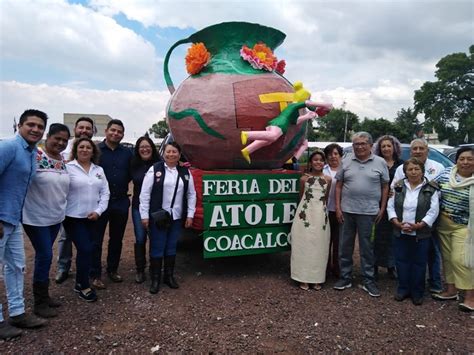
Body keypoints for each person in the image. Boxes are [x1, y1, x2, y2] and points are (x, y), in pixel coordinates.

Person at [0, 109, 48, 340]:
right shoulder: (8, 147)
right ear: (19, 125)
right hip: (1, 220)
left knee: (17, 266)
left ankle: (17, 312)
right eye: (31, 124)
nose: (36, 129)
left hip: (13, 219)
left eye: (40, 126)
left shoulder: (31, 152)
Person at [22, 124, 71, 318]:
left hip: (55, 217)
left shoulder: (63, 160)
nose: (60, 143)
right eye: (56, 138)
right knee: (44, 255)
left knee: (46, 255)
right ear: (47, 136)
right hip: (35, 217)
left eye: (64, 140)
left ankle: (44, 296)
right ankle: (39, 302)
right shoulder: (35, 157)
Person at [334, 132, 389, 297]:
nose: (359, 146)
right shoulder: (346, 160)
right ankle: (345, 277)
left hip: (369, 212)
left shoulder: (380, 162)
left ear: (370, 145)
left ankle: (368, 280)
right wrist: (337, 207)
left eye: (363, 143)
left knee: (367, 248)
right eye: (356, 144)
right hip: (347, 211)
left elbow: (385, 186)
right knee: (345, 246)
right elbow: (338, 185)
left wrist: (382, 208)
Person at [140, 142, 196, 294]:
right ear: (163, 153)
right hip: (159, 216)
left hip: (176, 216)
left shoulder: (185, 172)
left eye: (174, 152)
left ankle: (168, 276)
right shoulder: (155, 169)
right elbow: (145, 194)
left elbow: (191, 194)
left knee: (171, 246)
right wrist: (144, 215)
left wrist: (190, 214)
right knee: (158, 247)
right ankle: (155, 278)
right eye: (168, 151)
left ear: (179, 154)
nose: (171, 154)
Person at [392, 138, 444, 293]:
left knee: (431, 253)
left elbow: (438, 196)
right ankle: (404, 287)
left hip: (428, 221)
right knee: (403, 257)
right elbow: (393, 194)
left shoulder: (438, 167)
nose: (418, 151)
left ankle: (433, 283)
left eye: (421, 148)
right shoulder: (401, 169)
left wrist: (423, 223)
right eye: (415, 148)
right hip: (402, 222)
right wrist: (396, 221)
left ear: (427, 149)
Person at [387, 158, 440, 305]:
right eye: (410, 169)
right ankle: (403, 288)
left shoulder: (431, 188)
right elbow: (390, 206)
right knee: (401, 261)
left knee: (419, 262)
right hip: (400, 230)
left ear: (422, 171)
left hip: (421, 232)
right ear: (405, 172)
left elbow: (433, 211)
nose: (413, 172)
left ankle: (417, 291)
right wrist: (396, 222)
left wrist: (420, 225)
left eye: (416, 169)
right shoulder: (397, 187)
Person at [63, 138, 109, 302]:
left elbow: (105, 193)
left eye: (88, 147)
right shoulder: (68, 168)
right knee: (85, 249)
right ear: (75, 150)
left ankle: (79, 282)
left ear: (93, 151)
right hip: (73, 217)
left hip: (93, 218)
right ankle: (83, 285)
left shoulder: (99, 170)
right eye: (81, 147)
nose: (84, 150)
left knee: (89, 249)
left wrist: (98, 211)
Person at [91, 119, 132, 289]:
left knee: (116, 239)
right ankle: (95, 274)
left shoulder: (128, 153)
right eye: (113, 130)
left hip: (120, 201)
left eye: (119, 131)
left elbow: (132, 171)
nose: (116, 134)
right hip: (99, 203)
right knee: (96, 240)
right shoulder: (96, 151)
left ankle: (112, 270)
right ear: (106, 130)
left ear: (123, 134)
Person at [433, 147, 474, 312]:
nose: (465, 162)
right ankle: (451, 291)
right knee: (448, 259)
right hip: (443, 224)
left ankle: (470, 297)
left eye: (469, 159)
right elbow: (430, 186)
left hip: (464, 227)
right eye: (462, 158)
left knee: (462, 259)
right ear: (456, 160)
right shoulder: (446, 174)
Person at [55, 116, 95, 284]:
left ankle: (87, 268)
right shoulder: (64, 148)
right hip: (67, 202)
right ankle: (63, 267)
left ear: (93, 131)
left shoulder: (94, 148)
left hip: (87, 203)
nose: (84, 131)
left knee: (88, 239)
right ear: (75, 129)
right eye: (81, 128)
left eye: (88, 128)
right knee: (65, 238)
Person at [290, 150, 331, 290]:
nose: (318, 162)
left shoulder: (328, 179)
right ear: (310, 162)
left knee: (319, 245)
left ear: (324, 162)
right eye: (315, 160)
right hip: (305, 214)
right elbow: (301, 197)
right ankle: (303, 277)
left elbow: (325, 198)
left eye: (321, 160)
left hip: (321, 215)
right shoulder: (304, 179)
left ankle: (317, 278)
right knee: (304, 244)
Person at [130, 136, 161, 283]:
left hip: (156, 209)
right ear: (137, 149)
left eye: (147, 146)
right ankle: (140, 269)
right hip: (138, 207)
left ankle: (155, 268)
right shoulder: (133, 164)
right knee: (140, 238)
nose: (145, 149)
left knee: (155, 238)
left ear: (152, 148)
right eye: (141, 146)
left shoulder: (160, 165)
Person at [373, 135, 404, 280]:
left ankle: (392, 266)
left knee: (393, 236)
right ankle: (374, 265)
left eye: (388, 146)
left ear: (394, 147)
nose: (386, 148)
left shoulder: (402, 165)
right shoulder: (375, 163)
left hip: (395, 206)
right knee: (376, 235)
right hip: (377, 203)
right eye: (383, 146)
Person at [323, 143, 343, 278]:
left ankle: (337, 267)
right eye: (330, 154)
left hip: (341, 210)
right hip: (325, 210)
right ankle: (324, 267)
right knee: (325, 240)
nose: (333, 157)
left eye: (336, 154)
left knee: (339, 241)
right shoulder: (322, 170)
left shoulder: (345, 170)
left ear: (340, 156)